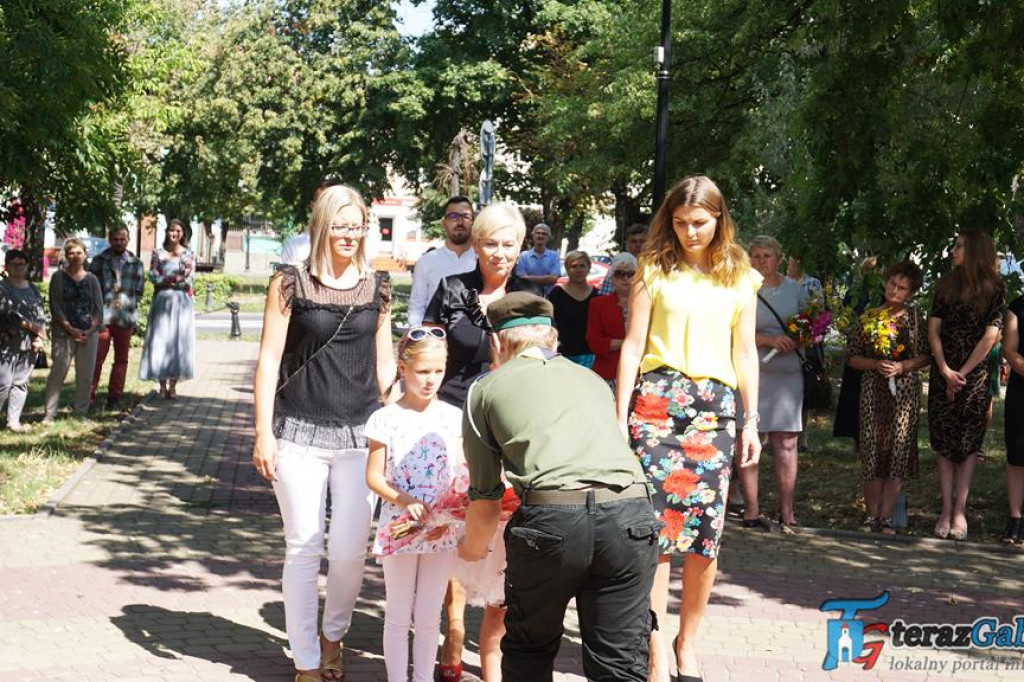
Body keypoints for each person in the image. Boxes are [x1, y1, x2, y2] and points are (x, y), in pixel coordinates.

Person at [460, 291, 660, 681]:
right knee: (620, 663)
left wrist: (470, 549)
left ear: (497, 341)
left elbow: (485, 500)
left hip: (553, 520)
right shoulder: (593, 380)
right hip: (631, 515)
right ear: (553, 338)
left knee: (529, 650)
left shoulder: (485, 389)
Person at [615, 176, 761, 682]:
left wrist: (751, 421)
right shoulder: (653, 267)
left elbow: (745, 353)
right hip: (656, 407)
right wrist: (619, 417)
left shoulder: (740, 274)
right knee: (656, 535)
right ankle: (655, 646)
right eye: (679, 223)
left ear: (719, 219)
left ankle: (687, 642)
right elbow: (633, 346)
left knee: (703, 537)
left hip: (715, 412)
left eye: (699, 222)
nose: (689, 232)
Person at [252, 185, 395, 682]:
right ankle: (307, 659)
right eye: (341, 225)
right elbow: (269, 359)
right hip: (297, 433)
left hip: (362, 436)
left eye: (357, 226)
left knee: (351, 552)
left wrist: (400, 421)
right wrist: (262, 432)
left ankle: (334, 636)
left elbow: (384, 364)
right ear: (321, 226)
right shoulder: (289, 283)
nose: (350, 235)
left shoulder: (378, 287)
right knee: (303, 546)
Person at [422, 202, 526, 681]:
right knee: (455, 522)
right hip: (453, 417)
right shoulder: (452, 289)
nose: (499, 252)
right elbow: (428, 351)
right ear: (476, 245)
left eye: (508, 243)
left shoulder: (531, 298)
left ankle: (493, 644)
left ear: (519, 246)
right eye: (490, 243)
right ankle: (455, 625)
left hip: (510, 422)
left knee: (503, 530)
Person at [365, 328, 461, 682]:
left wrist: (456, 508)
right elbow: (374, 477)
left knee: (429, 615)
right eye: (422, 371)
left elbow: (461, 473)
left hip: (441, 527)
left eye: (438, 371)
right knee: (398, 613)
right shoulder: (385, 418)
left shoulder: (453, 416)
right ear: (403, 369)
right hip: (400, 526)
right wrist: (406, 501)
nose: (430, 379)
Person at [928, 230, 1005, 541]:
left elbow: (992, 335)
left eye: (959, 246)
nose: (953, 251)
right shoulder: (945, 285)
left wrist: (962, 373)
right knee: (944, 441)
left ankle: (960, 510)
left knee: (969, 443)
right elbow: (933, 330)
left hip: (974, 377)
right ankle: (945, 509)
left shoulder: (994, 288)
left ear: (974, 250)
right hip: (942, 371)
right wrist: (945, 370)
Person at [845, 261, 929, 535]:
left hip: (904, 394)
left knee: (898, 453)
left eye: (902, 288)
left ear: (911, 292)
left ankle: (887, 517)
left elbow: (926, 355)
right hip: (873, 391)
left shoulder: (916, 319)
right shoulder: (869, 317)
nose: (895, 290)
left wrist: (903, 366)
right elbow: (852, 357)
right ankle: (871, 516)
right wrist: (875, 364)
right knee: (872, 451)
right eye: (892, 284)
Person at [741, 235, 807, 532]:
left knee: (787, 442)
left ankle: (787, 512)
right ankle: (751, 509)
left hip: (787, 374)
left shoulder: (795, 289)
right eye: (755, 256)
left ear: (779, 259)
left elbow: (811, 327)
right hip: (752, 371)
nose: (761, 261)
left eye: (767, 255)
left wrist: (799, 338)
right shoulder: (742, 288)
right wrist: (768, 339)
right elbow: (732, 332)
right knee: (749, 438)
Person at [43, 238, 103, 422]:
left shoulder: (92, 279)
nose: (76, 256)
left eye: (79, 253)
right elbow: (55, 306)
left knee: (85, 376)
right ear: (66, 255)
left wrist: (89, 330)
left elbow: (98, 310)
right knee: (58, 373)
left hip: (87, 334)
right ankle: (49, 413)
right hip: (63, 333)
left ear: (85, 254)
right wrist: (70, 329)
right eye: (72, 253)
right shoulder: (58, 277)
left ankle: (81, 412)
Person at [89, 225, 145, 410]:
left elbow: (139, 290)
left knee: (121, 359)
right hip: (102, 318)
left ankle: (114, 397)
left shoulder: (136, 263)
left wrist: (127, 303)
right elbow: (90, 288)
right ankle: (88, 396)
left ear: (128, 240)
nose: (119, 243)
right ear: (109, 239)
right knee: (96, 359)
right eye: (115, 239)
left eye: (122, 239)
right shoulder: (99, 261)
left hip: (125, 318)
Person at [139, 219, 196, 399]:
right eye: (172, 230)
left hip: (181, 304)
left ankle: (173, 386)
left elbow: (188, 278)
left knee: (178, 342)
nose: (174, 234)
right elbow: (153, 276)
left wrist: (167, 280)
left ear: (183, 234)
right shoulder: (158, 253)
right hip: (161, 302)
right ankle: (162, 386)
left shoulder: (188, 254)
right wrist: (173, 280)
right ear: (167, 232)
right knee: (160, 340)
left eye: (178, 231)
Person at [407, 196, 477, 327]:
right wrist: (419, 334)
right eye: (453, 216)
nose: (460, 222)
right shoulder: (426, 262)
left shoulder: (483, 260)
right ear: (444, 223)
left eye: (466, 216)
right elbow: (417, 307)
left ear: (473, 222)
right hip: (435, 336)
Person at [0, 249, 46, 431]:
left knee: (20, 382)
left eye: (22, 264)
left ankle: (13, 421)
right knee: (3, 382)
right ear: (7, 266)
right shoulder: (3, 288)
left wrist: (39, 337)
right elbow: (10, 315)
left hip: (29, 343)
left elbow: (40, 314)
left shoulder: (32, 289)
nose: (19, 268)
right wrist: (33, 327)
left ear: (27, 266)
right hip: (6, 342)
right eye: (14, 264)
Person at [786, 256, 824, 452]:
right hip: (782, 342)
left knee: (805, 390)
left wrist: (807, 331)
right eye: (790, 261)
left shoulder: (812, 283)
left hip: (806, 344)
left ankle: (802, 437)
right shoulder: (780, 282)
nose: (792, 265)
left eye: (796, 261)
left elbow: (819, 314)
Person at [587, 252, 636, 385]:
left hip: (638, 374)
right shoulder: (597, 304)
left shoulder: (647, 304)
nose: (625, 278)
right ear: (612, 278)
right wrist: (630, 343)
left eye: (631, 274)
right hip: (607, 373)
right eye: (620, 274)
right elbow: (595, 342)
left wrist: (614, 343)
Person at [546, 250, 596, 367]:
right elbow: (550, 324)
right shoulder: (556, 294)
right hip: (562, 354)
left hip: (589, 355)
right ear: (567, 269)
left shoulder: (597, 295)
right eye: (574, 266)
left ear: (589, 268)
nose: (578, 270)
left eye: (582, 266)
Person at [1001, 294, 1024, 545]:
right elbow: (1009, 348)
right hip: (1021, 391)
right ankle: (1015, 519)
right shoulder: (1018, 307)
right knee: (1018, 454)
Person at [281, 178, 345, 266]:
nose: (329, 207)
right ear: (312, 206)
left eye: (333, 202)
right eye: (323, 202)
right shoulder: (294, 246)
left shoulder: (353, 243)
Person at [597, 223, 647, 295]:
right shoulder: (616, 267)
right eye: (633, 241)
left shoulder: (656, 267)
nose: (638, 245)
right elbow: (605, 295)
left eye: (642, 241)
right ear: (627, 244)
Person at [515, 222, 561, 296]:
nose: (540, 236)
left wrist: (528, 278)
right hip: (528, 296)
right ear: (533, 235)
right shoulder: (524, 256)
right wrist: (546, 279)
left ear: (548, 237)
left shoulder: (554, 256)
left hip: (549, 297)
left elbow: (554, 278)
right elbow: (521, 278)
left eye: (544, 234)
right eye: (538, 233)